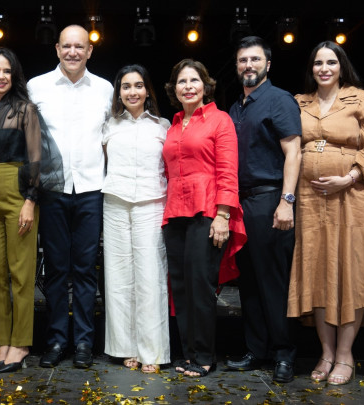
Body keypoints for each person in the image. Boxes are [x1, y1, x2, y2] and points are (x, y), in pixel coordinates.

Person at [287, 41, 364, 385]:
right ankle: (326, 353)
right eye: (318, 62)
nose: (324, 68)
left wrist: (349, 177)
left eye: (331, 62)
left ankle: (345, 356)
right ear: (312, 68)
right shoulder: (300, 102)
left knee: (352, 272)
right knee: (316, 270)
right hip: (310, 198)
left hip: (353, 196)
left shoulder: (360, 98)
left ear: (341, 66)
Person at [0, 47, 63, 373]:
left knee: (21, 275)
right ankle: (4, 341)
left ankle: (21, 343)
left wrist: (30, 200)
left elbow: (37, 159)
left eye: (6, 71)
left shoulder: (26, 110)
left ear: (14, 76)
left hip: (19, 196)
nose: (0, 76)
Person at [27, 25, 113, 369]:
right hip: (52, 189)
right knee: (57, 271)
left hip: (92, 189)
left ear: (90, 51)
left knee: (85, 270)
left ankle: (83, 342)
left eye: (80, 47)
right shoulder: (37, 86)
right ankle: (57, 340)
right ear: (57, 49)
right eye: (67, 46)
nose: (73, 52)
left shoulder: (105, 89)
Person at [225, 36, 302, 384]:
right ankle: (257, 351)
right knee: (250, 283)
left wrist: (286, 201)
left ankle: (284, 354)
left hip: (270, 201)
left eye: (255, 59)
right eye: (243, 60)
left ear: (268, 64)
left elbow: (293, 153)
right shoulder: (236, 107)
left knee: (274, 282)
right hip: (241, 203)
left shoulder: (279, 100)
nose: (248, 66)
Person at [162, 59, 245, 378]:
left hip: (208, 212)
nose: (188, 86)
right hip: (175, 213)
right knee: (180, 287)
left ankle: (205, 356)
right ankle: (189, 353)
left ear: (205, 85)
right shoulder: (172, 125)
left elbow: (227, 170)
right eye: (181, 81)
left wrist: (223, 216)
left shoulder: (220, 120)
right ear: (174, 89)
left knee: (200, 285)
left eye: (194, 80)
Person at [102, 64, 171, 374]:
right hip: (114, 202)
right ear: (119, 92)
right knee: (118, 278)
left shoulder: (162, 126)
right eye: (126, 86)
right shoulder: (108, 126)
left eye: (138, 86)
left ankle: (152, 351)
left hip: (152, 203)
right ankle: (126, 348)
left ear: (147, 91)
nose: (132, 91)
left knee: (150, 277)